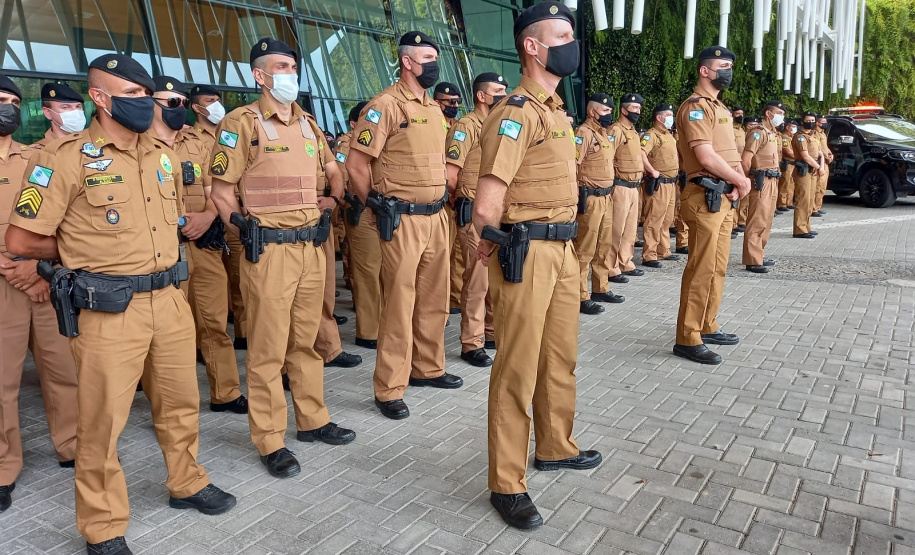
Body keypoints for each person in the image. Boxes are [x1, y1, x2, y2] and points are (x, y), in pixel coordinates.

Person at [5, 54, 236, 555]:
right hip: (109, 310)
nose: (143, 105)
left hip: (170, 300)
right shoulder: (65, 158)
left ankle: (187, 482)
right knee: (102, 423)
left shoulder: (162, 153)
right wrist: (80, 250)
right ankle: (103, 525)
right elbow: (22, 240)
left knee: (180, 405)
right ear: (101, 98)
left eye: (145, 96)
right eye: (131, 97)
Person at [473, 1, 602, 529]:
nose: (572, 43)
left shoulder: (554, 112)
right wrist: (491, 250)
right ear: (532, 45)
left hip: (563, 251)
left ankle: (555, 445)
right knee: (517, 370)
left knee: (559, 358)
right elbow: (486, 205)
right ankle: (506, 482)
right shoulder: (517, 113)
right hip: (526, 252)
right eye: (562, 34)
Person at [209, 38, 356, 480]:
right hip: (269, 249)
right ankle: (270, 438)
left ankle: (312, 420)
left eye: (293, 65)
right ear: (260, 76)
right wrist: (240, 224)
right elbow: (219, 191)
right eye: (281, 66)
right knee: (268, 349)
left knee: (306, 341)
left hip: (311, 247)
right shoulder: (242, 123)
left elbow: (332, 169)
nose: (290, 73)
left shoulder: (308, 124)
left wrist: (331, 198)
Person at [346, 31, 464, 421]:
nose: (434, 64)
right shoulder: (384, 105)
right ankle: (389, 387)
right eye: (426, 57)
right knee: (399, 303)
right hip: (401, 219)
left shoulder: (432, 109)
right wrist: (373, 204)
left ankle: (427, 368)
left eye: (435, 57)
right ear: (407, 62)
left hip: (435, 217)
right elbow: (357, 164)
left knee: (434, 298)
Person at [0, 74, 78, 514]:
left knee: (63, 369)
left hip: (42, 279)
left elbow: (61, 219)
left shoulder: (37, 158)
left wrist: (39, 268)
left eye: (13, 100)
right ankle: (3, 467)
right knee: (2, 382)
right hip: (2, 284)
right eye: (0, 99)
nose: (8, 107)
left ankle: (72, 445)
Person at [146, 75, 247, 414]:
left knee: (214, 323)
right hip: (158, 253)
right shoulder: (137, 144)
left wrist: (206, 217)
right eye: (168, 102)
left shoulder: (200, 143)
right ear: (152, 104)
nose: (177, 108)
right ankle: (169, 406)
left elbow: (216, 192)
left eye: (180, 102)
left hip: (202, 244)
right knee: (164, 336)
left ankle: (227, 393)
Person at [672, 46, 751, 366]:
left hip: (722, 196)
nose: (728, 70)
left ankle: (707, 323)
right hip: (705, 197)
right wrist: (741, 181)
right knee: (700, 268)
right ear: (705, 71)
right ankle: (687, 337)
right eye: (723, 65)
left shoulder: (719, 107)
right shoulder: (695, 108)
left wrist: (737, 178)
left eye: (730, 65)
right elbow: (705, 156)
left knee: (717, 267)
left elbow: (728, 153)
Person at [445, 72, 507, 365]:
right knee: (477, 280)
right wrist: (461, 204)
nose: (503, 94)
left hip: (496, 213)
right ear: (481, 96)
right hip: (473, 214)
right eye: (498, 90)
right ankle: (472, 342)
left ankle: (492, 332)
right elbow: (451, 175)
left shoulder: (501, 126)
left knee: (494, 276)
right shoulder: (466, 126)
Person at [573, 93, 624, 316]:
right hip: (591, 198)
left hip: (607, 197)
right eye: (605, 111)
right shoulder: (583, 134)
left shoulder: (603, 135)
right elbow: (574, 165)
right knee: (585, 247)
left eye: (610, 112)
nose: (609, 115)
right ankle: (580, 295)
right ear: (592, 112)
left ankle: (601, 287)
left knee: (604, 244)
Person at [338, 102, 381, 349]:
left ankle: (384, 322)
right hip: (362, 211)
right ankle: (368, 331)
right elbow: (343, 181)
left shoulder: (379, 141)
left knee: (385, 271)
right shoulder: (347, 144)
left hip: (382, 210)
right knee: (367, 273)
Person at [741, 101, 785, 274]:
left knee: (766, 219)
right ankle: (752, 259)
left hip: (773, 179)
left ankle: (759, 253)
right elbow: (746, 159)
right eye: (779, 112)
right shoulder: (758, 133)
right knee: (757, 219)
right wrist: (744, 179)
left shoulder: (772, 133)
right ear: (768, 113)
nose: (781, 116)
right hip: (761, 179)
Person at [606, 93, 645, 285]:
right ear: (623, 110)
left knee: (630, 229)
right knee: (616, 229)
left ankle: (625, 262)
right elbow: (607, 157)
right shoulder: (616, 130)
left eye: (639, 108)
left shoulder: (633, 132)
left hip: (634, 187)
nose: (638, 112)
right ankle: (611, 267)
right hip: (620, 185)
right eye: (634, 108)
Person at [434, 81, 466, 315]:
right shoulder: (434, 125)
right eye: (451, 102)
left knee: (456, 253)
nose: (455, 106)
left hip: (456, 199)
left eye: (457, 102)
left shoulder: (456, 126)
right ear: (438, 102)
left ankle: (455, 298)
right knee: (441, 256)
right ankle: (441, 304)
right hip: (442, 199)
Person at [639, 103, 681, 269]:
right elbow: (641, 153)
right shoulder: (651, 135)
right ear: (659, 117)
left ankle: (663, 250)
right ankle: (649, 255)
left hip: (671, 183)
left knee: (667, 219)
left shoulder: (668, 135)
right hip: (659, 183)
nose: (671, 118)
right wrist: (652, 171)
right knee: (654, 219)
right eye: (669, 115)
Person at [792, 111, 824, 239]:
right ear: (802, 121)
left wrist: (820, 166)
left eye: (812, 120)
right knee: (803, 199)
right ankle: (799, 229)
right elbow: (805, 156)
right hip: (804, 170)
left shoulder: (814, 135)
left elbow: (820, 153)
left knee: (810, 199)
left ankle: (806, 226)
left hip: (814, 170)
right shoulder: (800, 137)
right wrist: (819, 167)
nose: (810, 122)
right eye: (808, 120)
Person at [32, 82, 86, 149]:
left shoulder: (94, 143)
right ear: (48, 112)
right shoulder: (38, 152)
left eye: (78, 107)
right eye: (65, 107)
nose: (75, 112)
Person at [731, 106, 748, 235]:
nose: (740, 116)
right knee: (732, 195)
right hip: (733, 166)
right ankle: (732, 223)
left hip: (743, 165)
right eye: (737, 113)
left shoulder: (742, 131)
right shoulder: (729, 130)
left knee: (741, 196)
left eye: (741, 113)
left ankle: (737, 222)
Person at [812, 115, 833, 217]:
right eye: (823, 122)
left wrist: (830, 154)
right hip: (820, 161)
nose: (825, 124)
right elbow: (818, 147)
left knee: (822, 187)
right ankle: (813, 208)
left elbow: (826, 147)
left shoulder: (823, 133)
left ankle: (818, 206)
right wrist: (826, 156)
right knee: (818, 186)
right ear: (817, 123)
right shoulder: (814, 133)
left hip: (825, 162)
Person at [776, 118, 798, 213]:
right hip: (787, 163)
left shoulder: (792, 137)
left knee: (791, 184)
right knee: (784, 183)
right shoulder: (784, 137)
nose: (794, 128)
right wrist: (800, 155)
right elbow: (787, 151)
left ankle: (788, 202)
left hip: (793, 163)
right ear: (787, 127)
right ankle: (782, 203)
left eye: (795, 127)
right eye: (792, 126)